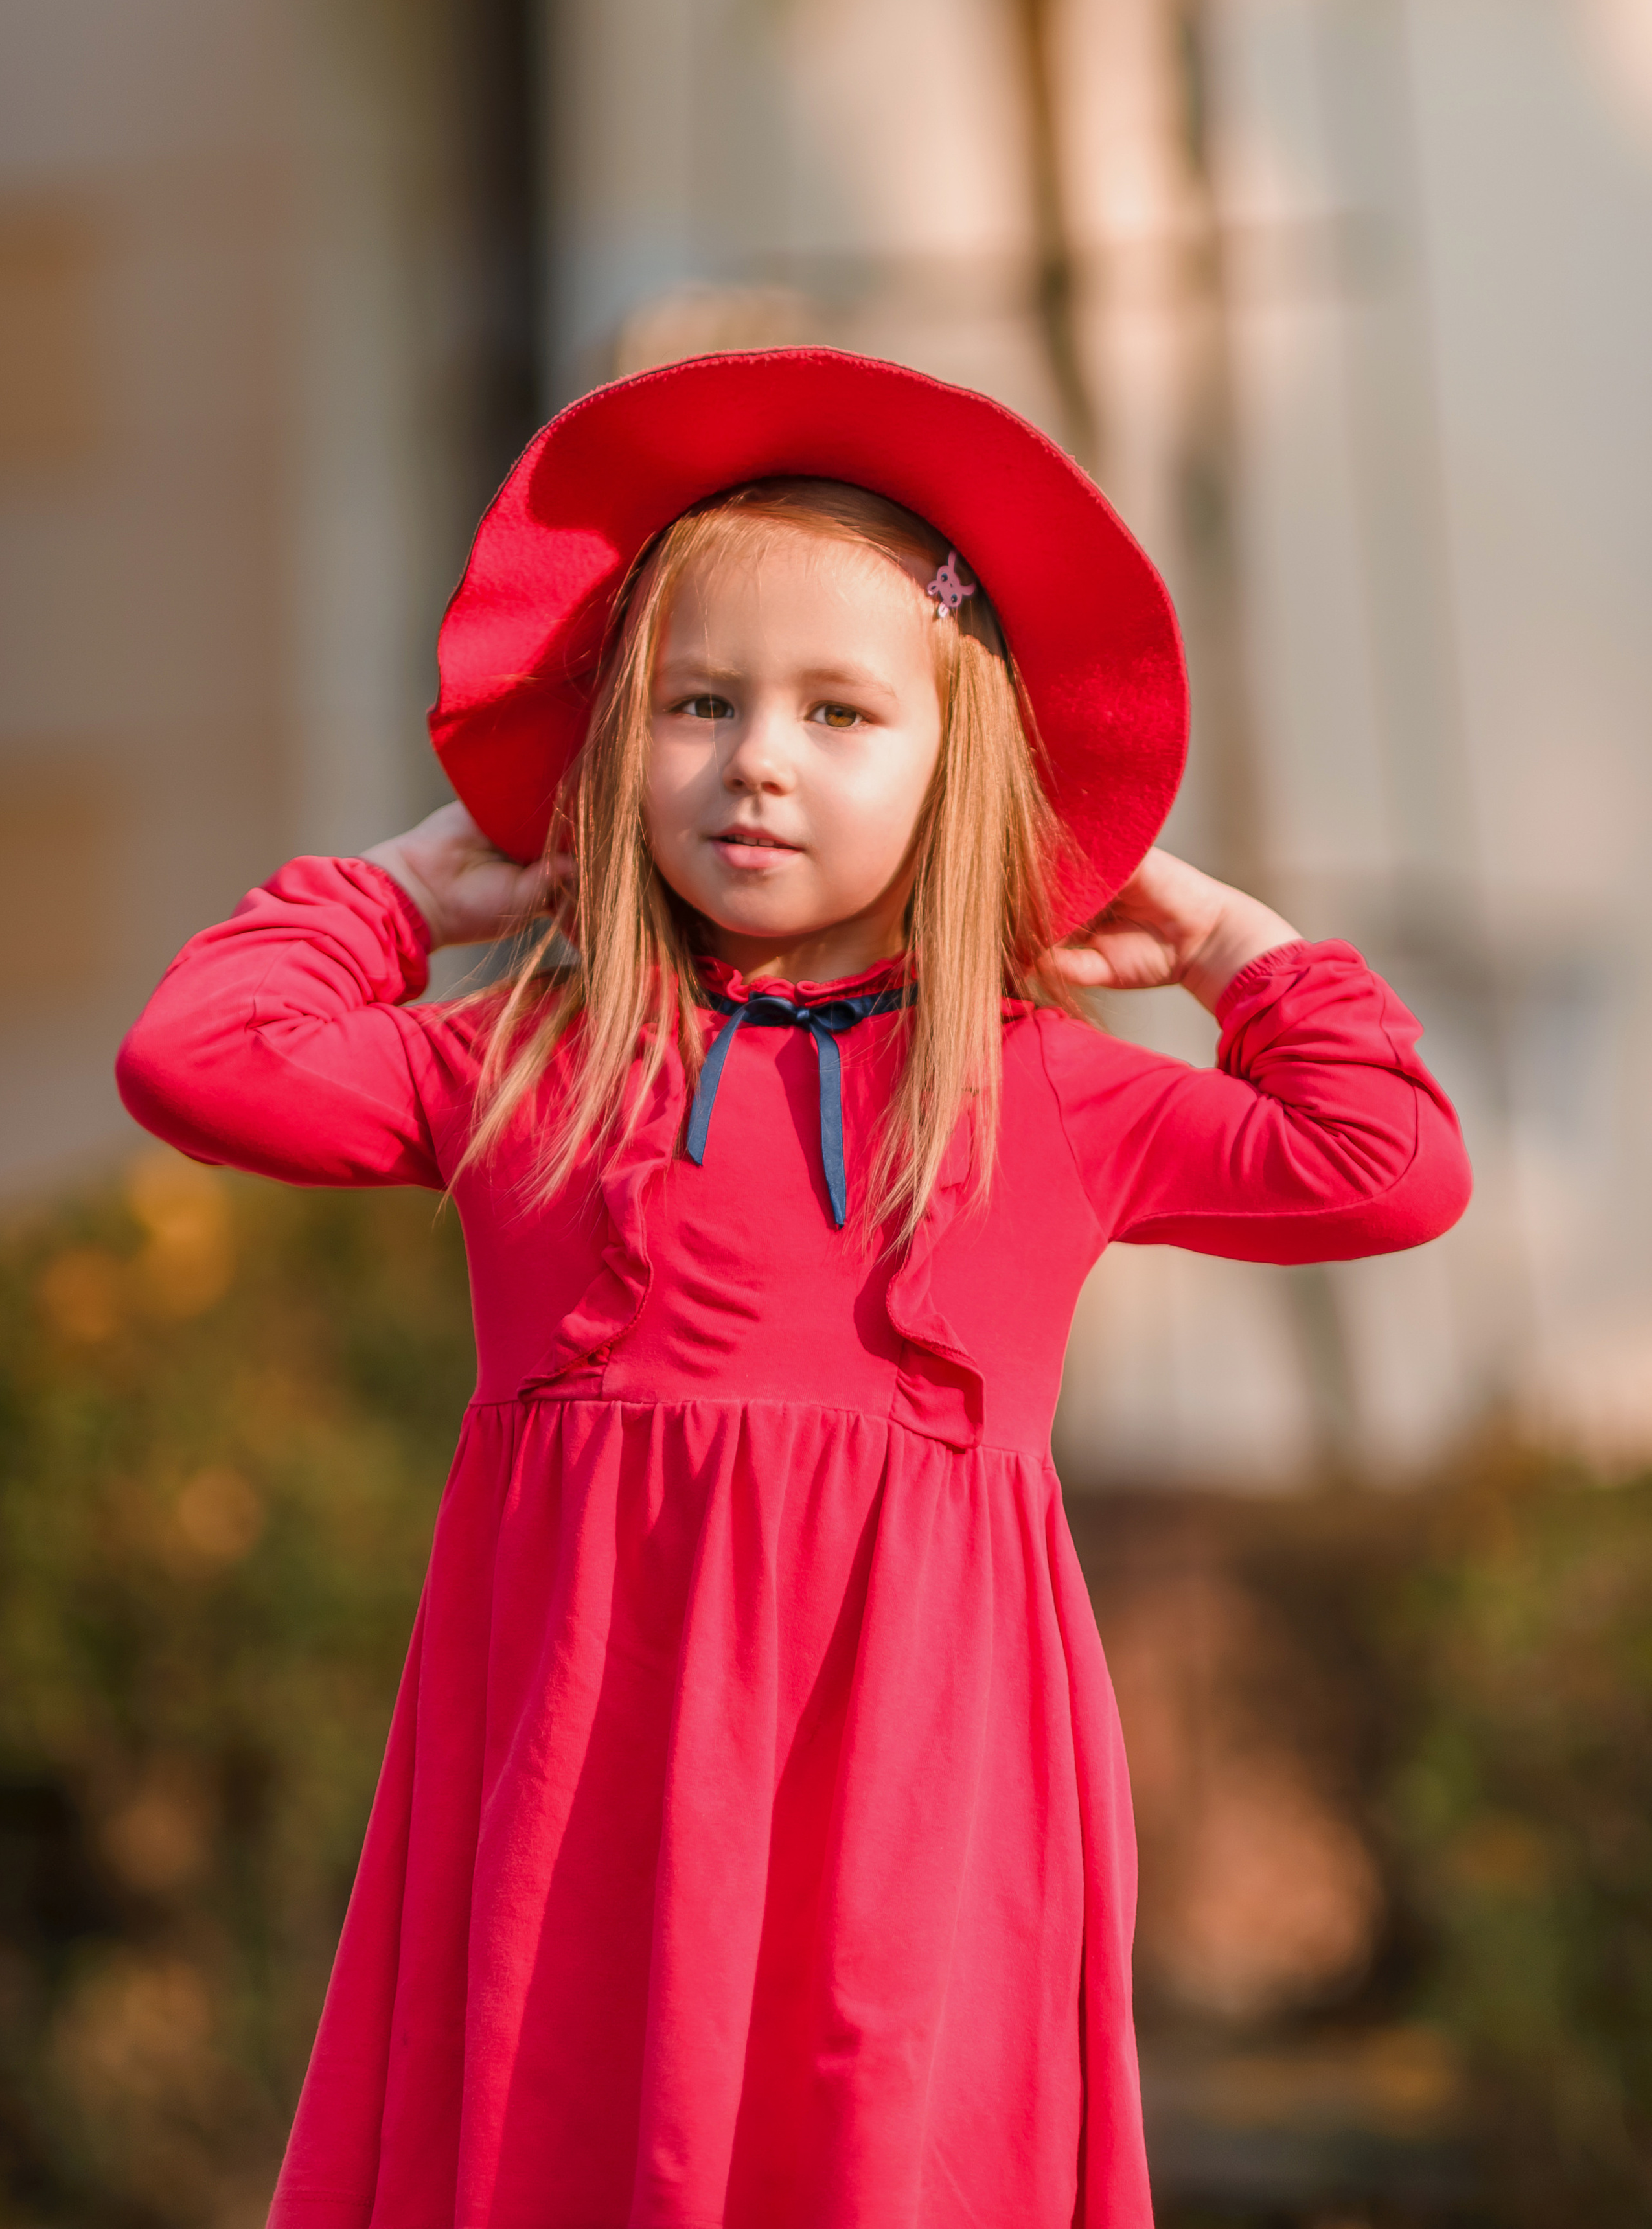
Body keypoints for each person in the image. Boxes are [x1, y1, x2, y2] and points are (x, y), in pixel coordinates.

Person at [117, 349, 1471, 2229]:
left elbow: (1388, 1164)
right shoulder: (532, 1063)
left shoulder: (1042, 1088)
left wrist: (1238, 946)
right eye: (698, 702)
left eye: (843, 713)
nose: (754, 756)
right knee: (567, 2131)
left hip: (915, 1770)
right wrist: (405, 895)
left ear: (960, 768)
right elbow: (198, 1055)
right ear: (617, 746)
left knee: (884, 2133)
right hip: (588, 1769)